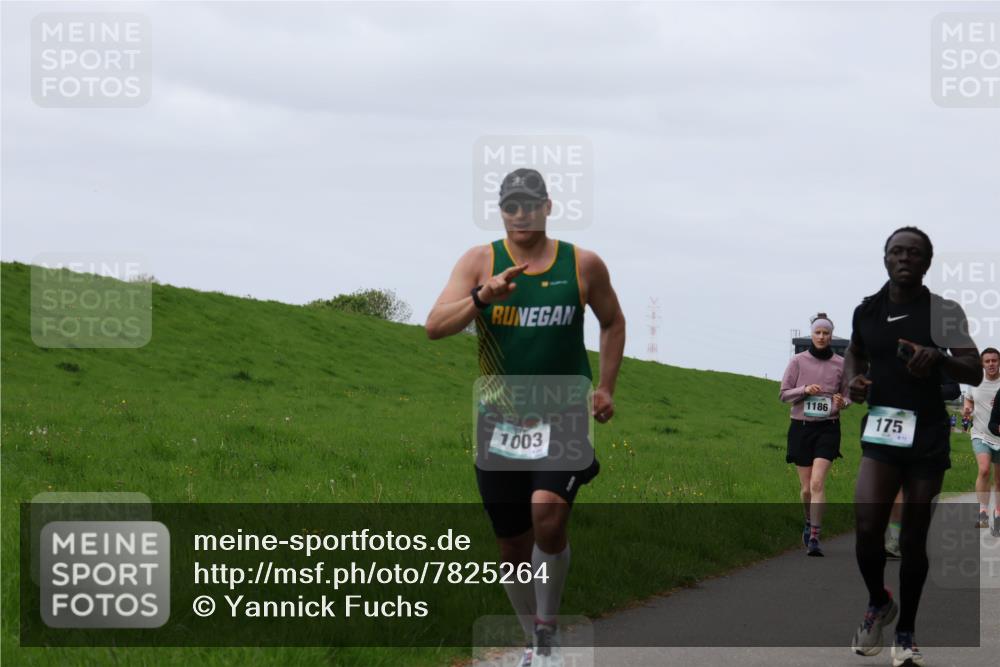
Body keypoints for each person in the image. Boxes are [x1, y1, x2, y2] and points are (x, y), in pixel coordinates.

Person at [425, 169, 626, 667]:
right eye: (511, 206)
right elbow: (434, 326)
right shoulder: (479, 261)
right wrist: (481, 299)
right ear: (501, 210)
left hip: (563, 416)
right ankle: (533, 646)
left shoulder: (582, 264)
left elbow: (613, 321)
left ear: (547, 206)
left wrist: (605, 387)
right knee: (512, 548)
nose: (520, 215)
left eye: (530, 205)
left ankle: (548, 633)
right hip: (500, 424)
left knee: (547, 514)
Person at [844, 227, 981, 666]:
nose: (905, 258)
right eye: (897, 251)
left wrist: (938, 356)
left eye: (914, 253)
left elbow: (975, 368)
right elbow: (855, 354)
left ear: (927, 262)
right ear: (885, 258)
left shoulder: (943, 312)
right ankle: (878, 602)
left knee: (914, 540)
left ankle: (906, 633)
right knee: (867, 527)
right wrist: (853, 381)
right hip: (883, 433)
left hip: (926, 439)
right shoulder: (866, 311)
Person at [780, 312, 849, 557]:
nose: (821, 336)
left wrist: (843, 402)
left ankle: (815, 538)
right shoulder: (798, 361)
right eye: (818, 332)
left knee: (818, 482)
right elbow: (783, 394)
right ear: (812, 334)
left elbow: (847, 395)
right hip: (801, 427)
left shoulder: (841, 364)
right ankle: (808, 522)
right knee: (807, 488)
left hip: (829, 427)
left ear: (831, 336)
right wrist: (804, 390)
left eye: (826, 333)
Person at [962, 348, 1000, 531]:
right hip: (980, 433)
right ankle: (983, 511)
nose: (991, 364)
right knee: (984, 470)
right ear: (982, 364)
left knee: (999, 480)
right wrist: (967, 409)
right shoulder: (975, 382)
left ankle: (998, 513)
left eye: (994, 360)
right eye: (987, 361)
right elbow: (968, 400)